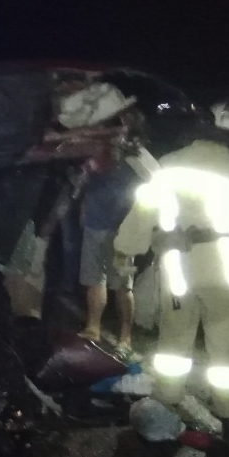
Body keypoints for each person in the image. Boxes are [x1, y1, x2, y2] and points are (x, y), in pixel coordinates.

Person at [113, 101, 229, 381]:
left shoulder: (170, 164)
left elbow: (143, 212)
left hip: (178, 269)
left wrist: (124, 250)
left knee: (174, 342)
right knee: (227, 342)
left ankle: (168, 397)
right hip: (226, 270)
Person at [77, 143, 137, 352]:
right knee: (94, 280)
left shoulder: (135, 160)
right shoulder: (95, 155)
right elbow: (84, 185)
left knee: (122, 285)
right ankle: (93, 328)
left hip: (123, 231)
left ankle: (126, 336)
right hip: (94, 226)